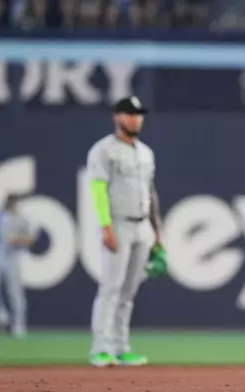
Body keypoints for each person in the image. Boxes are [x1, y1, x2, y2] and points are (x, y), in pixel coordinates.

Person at [86, 96, 163, 367]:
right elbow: (98, 191)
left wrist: (157, 232)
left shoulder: (145, 152)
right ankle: (100, 348)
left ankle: (120, 347)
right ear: (117, 117)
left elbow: (150, 193)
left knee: (128, 291)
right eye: (129, 114)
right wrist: (105, 226)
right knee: (111, 288)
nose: (135, 118)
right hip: (117, 223)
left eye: (138, 114)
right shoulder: (103, 150)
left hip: (142, 225)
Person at [0, 194, 37, 338]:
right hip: (0, 256)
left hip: (13, 258)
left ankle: (19, 325)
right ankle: (2, 315)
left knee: (15, 293)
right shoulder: (1, 217)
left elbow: (30, 240)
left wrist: (17, 240)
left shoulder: (21, 220)